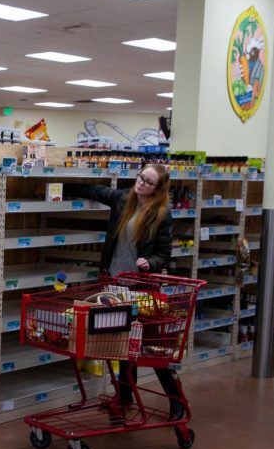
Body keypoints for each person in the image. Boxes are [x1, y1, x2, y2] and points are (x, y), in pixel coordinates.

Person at [65, 164, 185, 420]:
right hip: (115, 285)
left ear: (158, 189)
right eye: (141, 177)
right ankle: (125, 395)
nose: (141, 183)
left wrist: (149, 263)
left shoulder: (161, 214)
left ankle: (176, 403)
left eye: (148, 181)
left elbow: (164, 254)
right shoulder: (123, 198)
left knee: (151, 348)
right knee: (121, 346)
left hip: (141, 289)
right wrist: (61, 188)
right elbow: (96, 191)